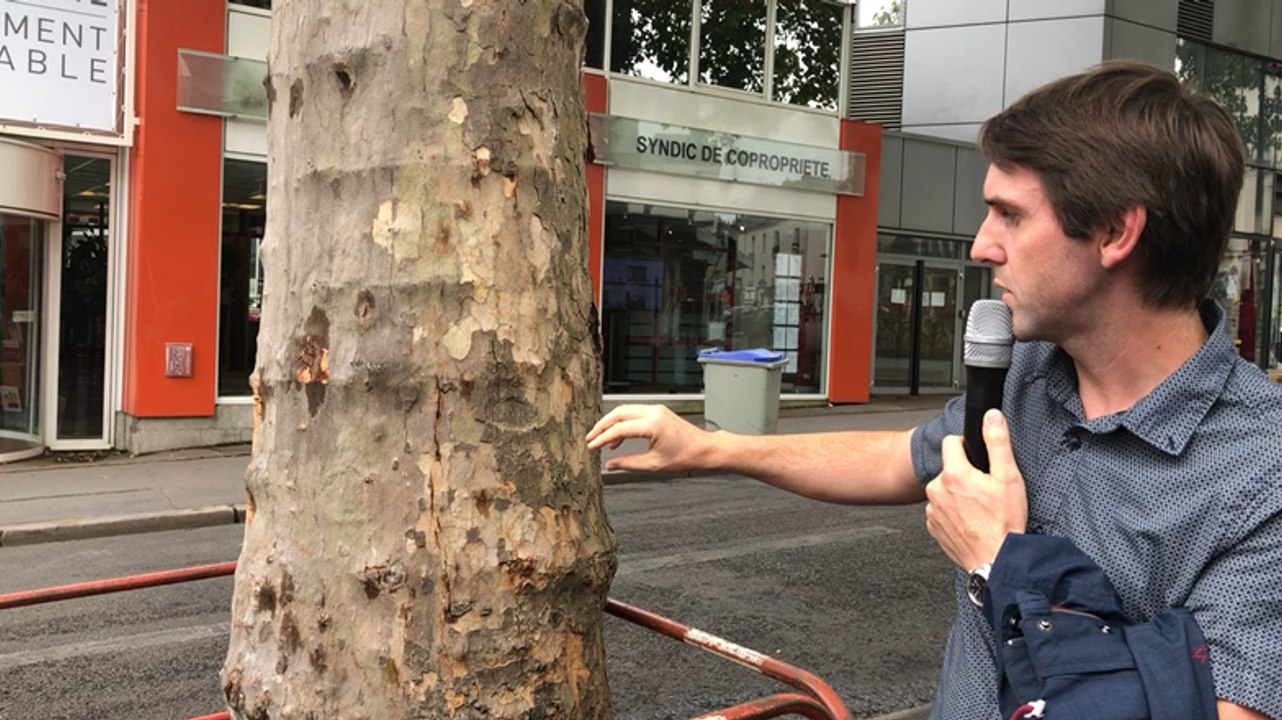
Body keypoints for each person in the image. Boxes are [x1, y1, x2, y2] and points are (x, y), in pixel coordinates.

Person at [586, 61, 1282, 720]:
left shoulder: (1261, 475)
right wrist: (713, 448)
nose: (981, 245)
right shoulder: (1029, 373)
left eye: (1009, 215)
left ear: (1114, 231)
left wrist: (1001, 563)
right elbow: (901, 458)